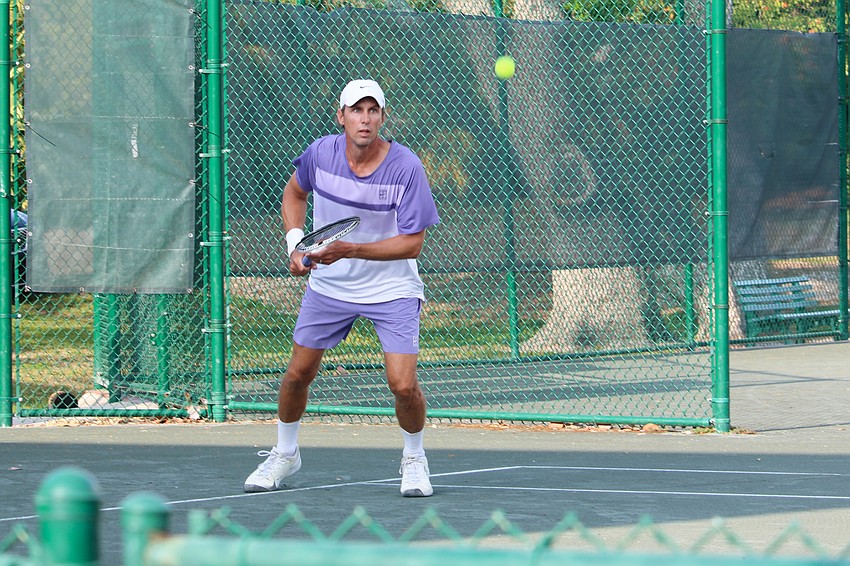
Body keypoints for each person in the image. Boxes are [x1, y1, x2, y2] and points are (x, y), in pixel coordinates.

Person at [244, 79, 440, 497]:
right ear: (342, 116)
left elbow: (413, 242)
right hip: (329, 287)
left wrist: (352, 250)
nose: (364, 119)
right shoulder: (320, 154)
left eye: (373, 111)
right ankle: (285, 453)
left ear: (383, 118)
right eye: (356, 110)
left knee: (403, 385)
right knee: (298, 374)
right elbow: (294, 193)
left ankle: (414, 458)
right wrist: (295, 243)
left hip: (392, 289)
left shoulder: (406, 167)